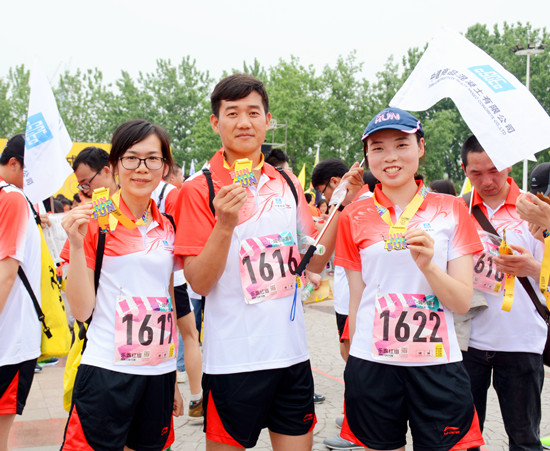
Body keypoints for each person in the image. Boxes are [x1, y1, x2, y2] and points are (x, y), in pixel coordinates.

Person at [174, 73, 362, 451]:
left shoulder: (287, 183)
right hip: (233, 361)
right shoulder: (199, 189)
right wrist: (225, 223)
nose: (244, 122)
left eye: (253, 112)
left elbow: (313, 263)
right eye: (232, 113)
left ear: (268, 120)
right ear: (215, 122)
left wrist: (343, 205)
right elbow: (199, 282)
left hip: (291, 356)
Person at [335, 107, 485, 450]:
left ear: (421, 147)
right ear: (367, 156)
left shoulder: (451, 209)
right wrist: (355, 359)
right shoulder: (353, 215)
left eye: (401, 144)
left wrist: (429, 266)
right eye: (378, 148)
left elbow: (462, 301)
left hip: (436, 363)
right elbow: (357, 297)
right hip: (373, 362)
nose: (390, 157)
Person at [59, 120, 183, 450]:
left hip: (158, 372)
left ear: (165, 167)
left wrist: (173, 377)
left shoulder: (168, 226)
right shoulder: (93, 222)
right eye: (131, 158)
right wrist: (75, 245)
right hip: (107, 370)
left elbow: (167, 298)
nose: (141, 168)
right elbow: (81, 310)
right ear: (114, 166)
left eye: (152, 159)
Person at [460, 135, 546, 451]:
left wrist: (532, 268)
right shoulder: (457, 210)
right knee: (463, 439)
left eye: (494, 170)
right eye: (476, 173)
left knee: (524, 439)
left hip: (522, 342)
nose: (487, 181)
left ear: (508, 164)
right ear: (464, 170)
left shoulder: (536, 210)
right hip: (467, 342)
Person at [312, 157, 369, 451]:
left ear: (336, 183)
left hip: (357, 303)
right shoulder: (347, 207)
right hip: (346, 300)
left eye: (323, 191)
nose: (324, 198)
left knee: (357, 365)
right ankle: (354, 419)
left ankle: (356, 430)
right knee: (350, 360)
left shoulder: (362, 206)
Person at [151, 161, 203, 418]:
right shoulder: (172, 193)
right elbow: (182, 234)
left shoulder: (126, 192)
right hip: (172, 274)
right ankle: (196, 397)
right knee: (189, 334)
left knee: (163, 335)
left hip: (150, 272)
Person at [0, 134, 42, 451]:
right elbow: (6, 273)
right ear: (14, 164)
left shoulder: (11, 197)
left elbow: (7, 273)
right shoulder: (12, 196)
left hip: (10, 339)